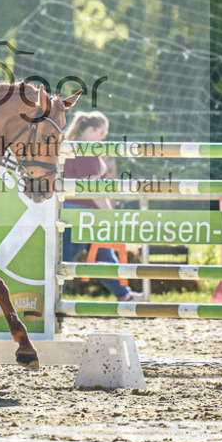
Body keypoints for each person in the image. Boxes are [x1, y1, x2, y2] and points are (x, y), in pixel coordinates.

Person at [62, 110, 143, 302]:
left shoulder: (73, 146)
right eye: (102, 133)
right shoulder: (86, 149)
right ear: (91, 129)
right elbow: (92, 190)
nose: (103, 137)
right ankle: (49, 300)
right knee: (66, 260)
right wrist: (110, 216)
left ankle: (124, 294)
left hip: (71, 210)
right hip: (82, 212)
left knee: (100, 254)